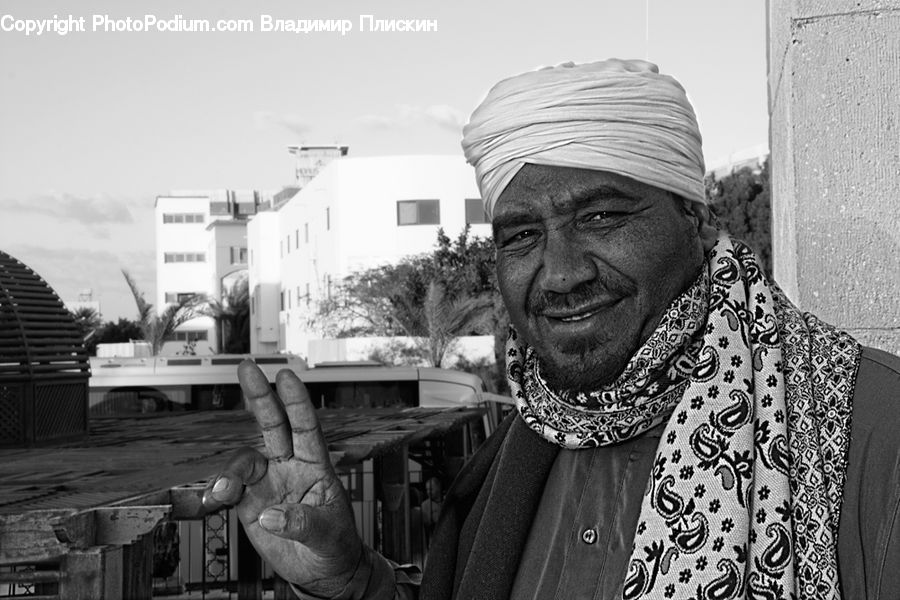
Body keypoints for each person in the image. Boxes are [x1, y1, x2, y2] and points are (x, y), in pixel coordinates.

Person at [201, 59, 900, 599]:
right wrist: (352, 579)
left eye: (601, 217)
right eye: (523, 234)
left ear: (694, 217)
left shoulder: (872, 433)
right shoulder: (508, 459)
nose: (560, 274)